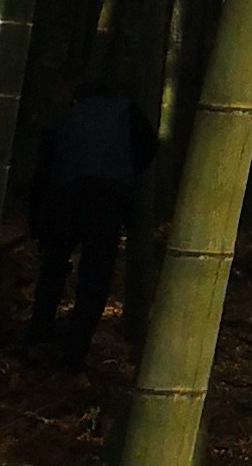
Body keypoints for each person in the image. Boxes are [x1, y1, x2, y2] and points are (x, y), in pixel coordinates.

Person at [27, 80, 159, 370]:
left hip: (66, 195)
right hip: (108, 199)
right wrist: (125, 174)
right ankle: (74, 353)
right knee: (95, 278)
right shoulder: (127, 112)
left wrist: (36, 219)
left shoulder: (66, 118)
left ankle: (37, 337)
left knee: (53, 267)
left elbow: (42, 171)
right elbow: (150, 145)